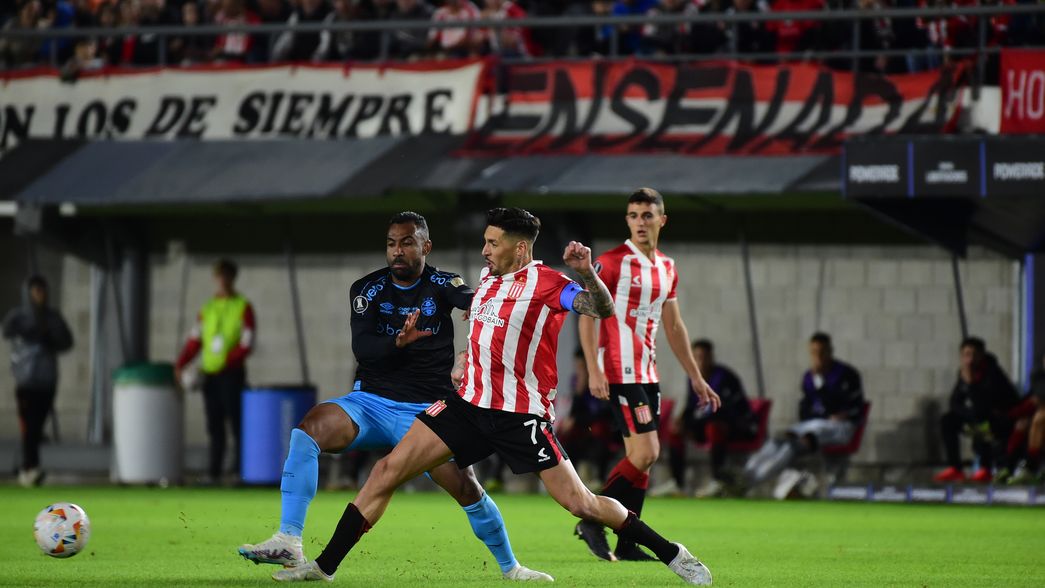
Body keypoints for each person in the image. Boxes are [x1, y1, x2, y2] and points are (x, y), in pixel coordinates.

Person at [272, 207, 712, 585]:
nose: (484, 250)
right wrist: (468, 356)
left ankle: (672, 553)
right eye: (485, 241)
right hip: (466, 404)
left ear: (519, 248)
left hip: (519, 415)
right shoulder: (486, 278)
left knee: (582, 503)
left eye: (493, 243)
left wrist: (588, 274)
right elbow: (487, 328)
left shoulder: (549, 284)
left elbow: (600, 309)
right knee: (387, 470)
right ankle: (323, 567)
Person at [238, 211, 550, 581]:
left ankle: (510, 567)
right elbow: (364, 348)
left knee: (466, 488)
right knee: (308, 430)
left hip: (428, 410)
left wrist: (482, 305)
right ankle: (289, 538)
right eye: (391, 243)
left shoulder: (443, 283)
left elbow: (468, 296)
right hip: (370, 403)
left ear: (425, 246)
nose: (397, 251)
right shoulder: (366, 290)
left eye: (406, 243)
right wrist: (397, 342)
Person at [576, 187, 720, 562]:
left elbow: (674, 325)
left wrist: (695, 376)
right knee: (647, 451)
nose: (640, 222)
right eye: (634, 216)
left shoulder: (667, 267)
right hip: (618, 370)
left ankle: (625, 542)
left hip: (647, 370)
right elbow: (588, 316)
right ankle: (591, 516)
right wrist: (593, 369)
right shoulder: (611, 262)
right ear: (627, 220)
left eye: (647, 215)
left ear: (662, 219)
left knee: (642, 458)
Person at [742, 333, 864, 492]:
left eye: (822, 352)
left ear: (830, 351)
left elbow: (856, 406)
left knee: (791, 447)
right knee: (778, 441)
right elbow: (805, 409)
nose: (818, 357)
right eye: (814, 353)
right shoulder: (809, 377)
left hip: (839, 427)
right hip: (813, 426)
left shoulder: (846, 374)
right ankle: (744, 474)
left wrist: (843, 412)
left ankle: (750, 482)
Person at [175, 259, 256, 484]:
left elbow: (247, 343)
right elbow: (195, 340)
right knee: (214, 424)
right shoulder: (208, 309)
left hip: (232, 375)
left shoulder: (242, 307)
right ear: (216, 278)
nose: (222, 281)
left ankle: (241, 471)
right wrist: (181, 363)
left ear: (232, 278)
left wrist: (227, 362)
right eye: (219, 276)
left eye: (226, 276)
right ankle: (214, 472)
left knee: (237, 423)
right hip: (210, 375)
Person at [654, 339, 757, 498]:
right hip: (702, 424)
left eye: (704, 357)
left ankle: (717, 481)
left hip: (733, 425)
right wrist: (682, 420)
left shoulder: (725, 377)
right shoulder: (692, 379)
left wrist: (695, 421)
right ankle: (677, 484)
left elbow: (726, 410)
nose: (701, 361)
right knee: (675, 431)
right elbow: (691, 406)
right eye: (697, 357)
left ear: (711, 357)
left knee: (714, 428)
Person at [3, 275, 74, 487]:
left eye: (42, 291)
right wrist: (28, 331)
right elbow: (8, 331)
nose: (39, 296)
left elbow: (67, 341)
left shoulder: (52, 318)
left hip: (47, 380)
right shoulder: (19, 317)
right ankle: (29, 467)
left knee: (37, 425)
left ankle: (30, 465)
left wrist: (49, 337)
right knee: (30, 426)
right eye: (36, 291)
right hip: (26, 380)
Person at [933, 337, 1020, 483]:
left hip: (1002, 422)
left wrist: (970, 384)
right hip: (979, 418)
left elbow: (983, 406)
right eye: (966, 355)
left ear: (981, 355)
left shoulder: (992, 374)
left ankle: (985, 469)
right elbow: (955, 402)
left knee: (981, 420)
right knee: (948, 420)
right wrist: (968, 412)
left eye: (974, 354)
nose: (970, 359)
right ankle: (955, 468)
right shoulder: (964, 373)